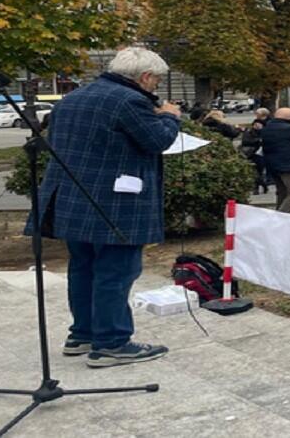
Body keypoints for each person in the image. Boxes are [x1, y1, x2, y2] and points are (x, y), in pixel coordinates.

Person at [27, 47, 180, 367]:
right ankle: (111, 342)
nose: (156, 88)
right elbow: (157, 141)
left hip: (71, 198)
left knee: (82, 268)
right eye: (157, 81)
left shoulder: (73, 98)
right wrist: (169, 116)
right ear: (145, 77)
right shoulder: (130, 101)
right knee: (116, 271)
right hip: (115, 202)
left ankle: (82, 334)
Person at [239, 116, 268, 194]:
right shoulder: (248, 132)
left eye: (259, 124)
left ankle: (263, 184)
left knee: (260, 171)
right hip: (251, 153)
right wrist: (258, 140)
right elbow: (245, 141)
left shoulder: (266, 132)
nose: (257, 126)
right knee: (254, 172)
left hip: (261, 154)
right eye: (256, 124)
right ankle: (256, 188)